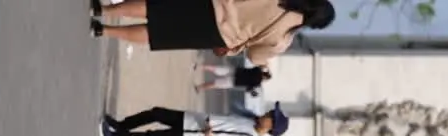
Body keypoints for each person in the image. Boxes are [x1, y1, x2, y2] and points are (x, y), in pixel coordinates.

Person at [89, 0, 335, 68]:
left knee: (157, 8)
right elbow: (255, 57)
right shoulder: (285, 38)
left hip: (216, 6)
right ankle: (104, 30)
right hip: (221, 35)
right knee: (159, 34)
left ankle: (106, 9)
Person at [99, 104, 288, 136]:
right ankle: (121, 125)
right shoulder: (251, 119)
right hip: (192, 119)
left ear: (271, 127)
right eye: (271, 111)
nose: (268, 113)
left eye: (271, 115)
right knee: (156, 113)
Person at [197, 64, 271, 96]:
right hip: (234, 81)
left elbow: (258, 65)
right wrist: (253, 93)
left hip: (236, 71)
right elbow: (249, 89)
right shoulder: (258, 83)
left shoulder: (258, 70)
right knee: (215, 84)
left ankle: (200, 67)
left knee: (216, 69)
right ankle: (199, 87)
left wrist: (265, 67)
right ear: (265, 78)